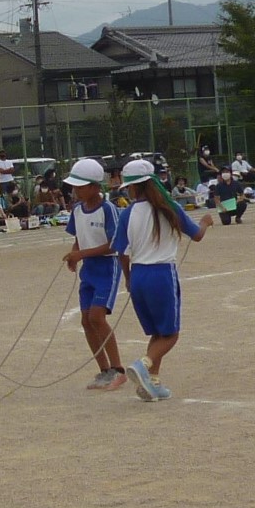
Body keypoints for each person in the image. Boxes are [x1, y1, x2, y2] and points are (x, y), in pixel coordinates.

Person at [111, 159, 213, 402]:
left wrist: (128, 278)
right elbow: (196, 235)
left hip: (138, 275)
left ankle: (153, 382)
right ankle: (143, 364)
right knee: (170, 333)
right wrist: (206, 222)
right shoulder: (169, 208)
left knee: (157, 332)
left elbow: (121, 252)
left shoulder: (127, 214)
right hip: (161, 273)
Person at [60, 159, 126, 391]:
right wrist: (75, 254)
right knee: (86, 319)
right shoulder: (77, 210)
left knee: (97, 317)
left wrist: (82, 254)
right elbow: (79, 235)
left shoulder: (108, 209)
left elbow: (115, 244)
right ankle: (103, 370)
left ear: (95, 186)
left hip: (107, 268)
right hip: (88, 269)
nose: (75, 191)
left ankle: (118, 369)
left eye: (79, 186)